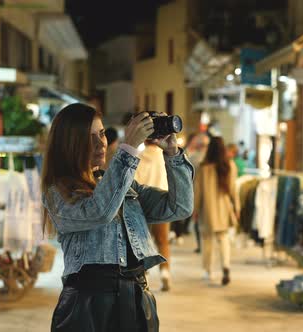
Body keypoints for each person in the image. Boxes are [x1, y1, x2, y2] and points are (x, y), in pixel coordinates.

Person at [41, 103, 193, 332]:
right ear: (69, 143)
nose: (100, 143)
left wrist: (172, 153)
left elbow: (179, 207)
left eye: (101, 133)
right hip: (89, 308)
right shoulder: (57, 192)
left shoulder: (122, 184)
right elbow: (100, 211)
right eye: (88, 136)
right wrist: (129, 148)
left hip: (136, 300)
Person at [193, 136, 239, 286]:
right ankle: (226, 266)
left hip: (208, 209)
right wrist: (237, 207)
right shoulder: (229, 166)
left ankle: (208, 270)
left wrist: (195, 209)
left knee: (207, 240)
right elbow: (234, 190)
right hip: (224, 208)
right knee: (223, 238)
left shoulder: (203, 167)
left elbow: (197, 190)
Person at [134, 140, 172, 292]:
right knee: (163, 241)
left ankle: (145, 277)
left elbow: (134, 180)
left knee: (142, 243)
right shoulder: (164, 156)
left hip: (141, 204)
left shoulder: (139, 156)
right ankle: (165, 274)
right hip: (162, 202)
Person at [185, 133, 210, 253]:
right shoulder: (212, 159)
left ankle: (201, 244)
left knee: (197, 218)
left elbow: (187, 176)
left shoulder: (192, 158)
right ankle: (206, 243)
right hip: (209, 192)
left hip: (195, 191)